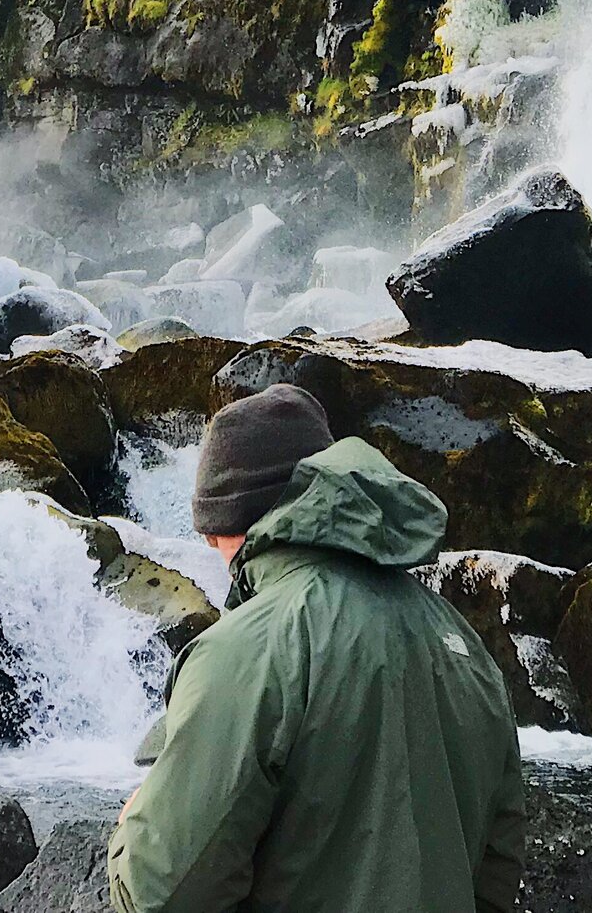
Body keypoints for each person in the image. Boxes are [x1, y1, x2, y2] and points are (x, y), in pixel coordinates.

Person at [107, 383, 527, 913]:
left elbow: (163, 892)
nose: (209, 546)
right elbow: (499, 864)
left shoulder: (250, 649)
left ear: (232, 521)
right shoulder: (462, 643)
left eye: (210, 526)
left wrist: (129, 832)